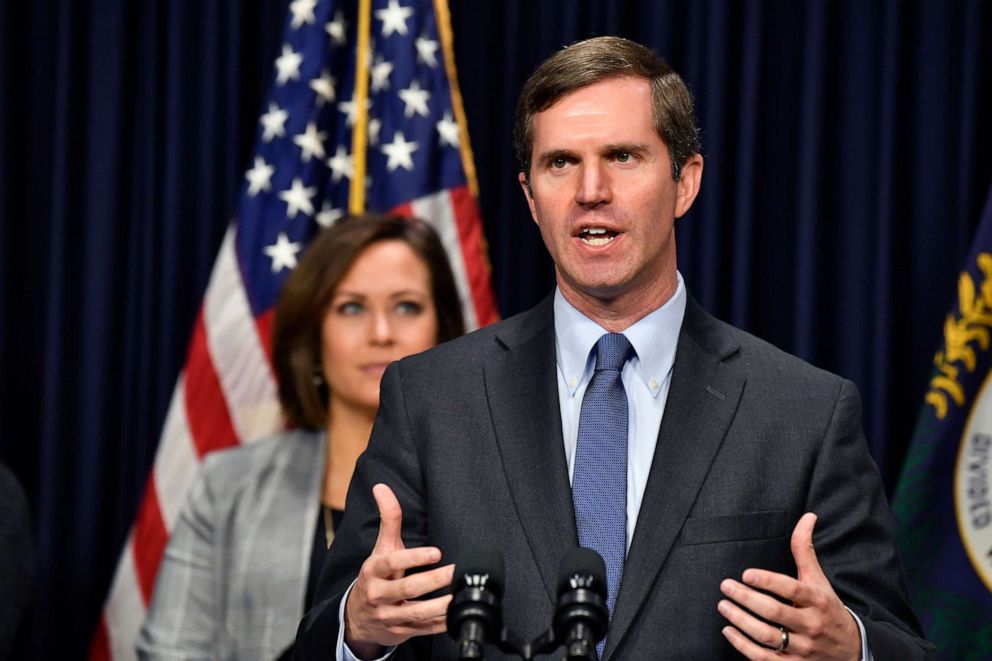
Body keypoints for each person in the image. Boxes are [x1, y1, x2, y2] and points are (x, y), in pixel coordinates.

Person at [295, 37, 935, 660]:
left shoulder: (805, 413)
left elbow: (901, 643)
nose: (590, 189)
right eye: (560, 162)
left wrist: (852, 647)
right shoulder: (429, 398)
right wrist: (358, 630)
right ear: (531, 198)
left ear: (686, 183)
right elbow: (321, 638)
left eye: (623, 157)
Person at [137, 214, 465, 660]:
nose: (382, 333)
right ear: (313, 335)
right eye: (352, 307)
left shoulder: (484, 479)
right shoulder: (228, 486)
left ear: (443, 329)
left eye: (406, 306)